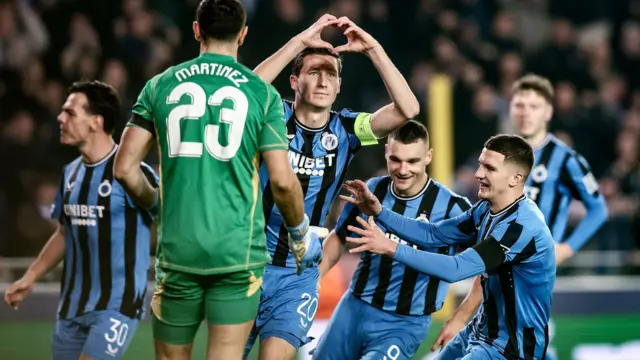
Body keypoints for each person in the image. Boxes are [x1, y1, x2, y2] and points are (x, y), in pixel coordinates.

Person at [112, 1, 324, 359]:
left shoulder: (159, 85)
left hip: (178, 252)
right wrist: (300, 233)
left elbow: (124, 169)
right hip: (236, 255)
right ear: (243, 34)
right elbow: (284, 183)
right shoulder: (261, 93)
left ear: (197, 30)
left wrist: (156, 205)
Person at [245, 14, 419, 360]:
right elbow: (242, 91)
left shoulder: (348, 129)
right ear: (294, 80)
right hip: (246, 261)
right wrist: (299, 42)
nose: (324, 80)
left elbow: (408, 109)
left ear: (339, 86)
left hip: (297, 274)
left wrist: (373, 49)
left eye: (331, 74)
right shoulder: (271, 114)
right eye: (314, 71)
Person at [432, 74, 608, 359]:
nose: (525, 112)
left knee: (521, 340)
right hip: (498, 255)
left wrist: (567, 247)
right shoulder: (496, 155)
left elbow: (599, 209)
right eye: (519, 105)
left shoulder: (565, 159)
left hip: (532, 265)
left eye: (534, 106)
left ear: (548, 112)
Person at [343, 134, 556, 360]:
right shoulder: (485, 209)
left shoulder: (522, 227)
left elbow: (455, 269)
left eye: (489, 168)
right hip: (480, 332)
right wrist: (379, 212)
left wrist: (389, 247)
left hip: (511, 348)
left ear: (515, 178)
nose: (478, 174)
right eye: (480, 164)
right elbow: (434, 233)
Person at [4, 80, 157, 360]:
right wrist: (30, 277)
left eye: (70, 112)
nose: (60, 118)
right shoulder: (70, 174)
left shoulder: (135, 173)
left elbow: (167, 219)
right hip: (71, 307)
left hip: (117, 305)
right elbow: (64, 233)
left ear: (95, 122)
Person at [310, 120, 471, 359]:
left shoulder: (454, 208)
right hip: (354, 308)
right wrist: (312, 282)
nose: (403, 170)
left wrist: (460, 317)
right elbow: (339, 237)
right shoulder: (373, 189)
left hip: (404, 324)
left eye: (413, 161)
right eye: (396, 160)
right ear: (386, 152)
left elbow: (487, 266)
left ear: (428, 156)